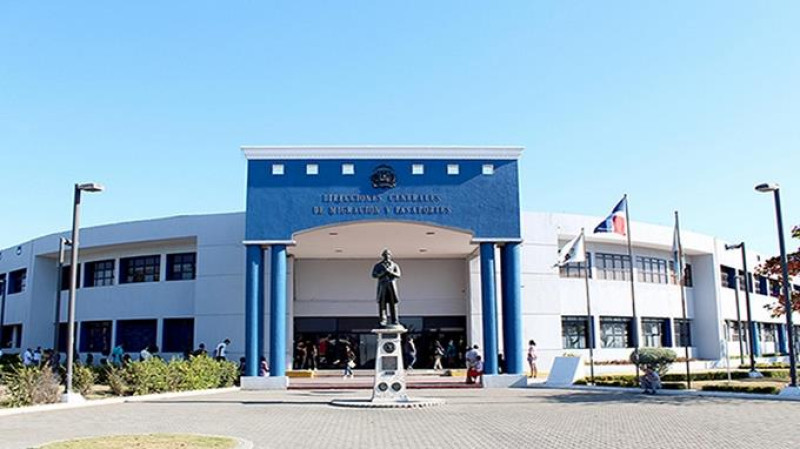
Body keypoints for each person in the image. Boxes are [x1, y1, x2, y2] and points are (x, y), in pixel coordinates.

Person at [372, 249, 402, 327]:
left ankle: (395, 320)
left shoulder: (394, 265)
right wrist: (383, 273)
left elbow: (398, 275)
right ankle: (383, 320)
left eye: (388, 255)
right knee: (382, 304)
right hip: (382, 286)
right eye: (385, 255)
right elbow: (374, 275)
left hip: (392, 286)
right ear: (383, 256)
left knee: (393, 303)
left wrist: (390, 272)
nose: (387, 256)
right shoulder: (378, 265)